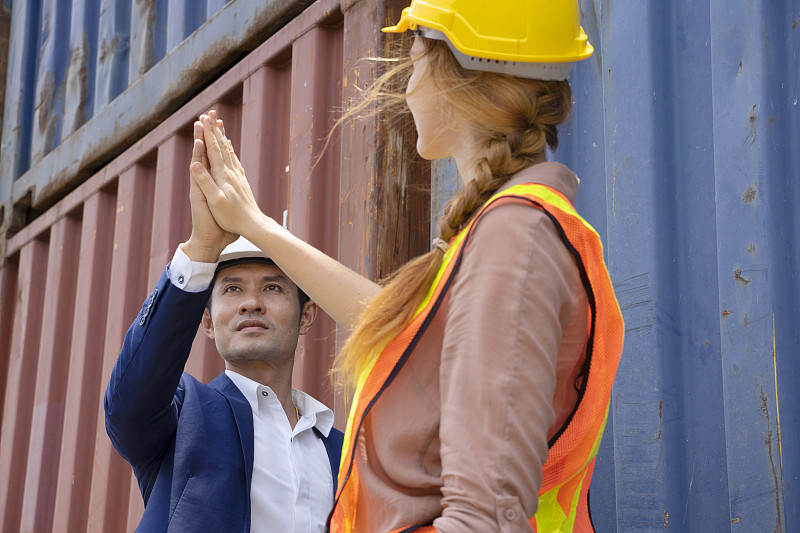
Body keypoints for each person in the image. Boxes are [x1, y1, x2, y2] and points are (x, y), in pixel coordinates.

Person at [190, 1, 624, 531]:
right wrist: (256, 226)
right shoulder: (506, 230)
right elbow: (397, 324)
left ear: (454, 75)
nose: (407, 82)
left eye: (415, 58)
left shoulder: (515, 238)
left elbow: (482, 516)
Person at [104, 120, 343, 532]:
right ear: (209, 323)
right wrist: (203, 249)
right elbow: (127, 408)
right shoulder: (182, 416)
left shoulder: (343, 449)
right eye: (232, 289)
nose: (251, 302)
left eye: (272, 287)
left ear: (306, 315)